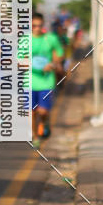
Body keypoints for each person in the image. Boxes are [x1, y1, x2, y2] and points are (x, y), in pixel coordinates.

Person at [31, 12, 64, 147]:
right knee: (31, 112)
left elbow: (59, 54)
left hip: (46, 81)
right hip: (29, 81)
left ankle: (44, 122)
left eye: (40, 25)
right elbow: (18, 59)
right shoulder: (24, 40)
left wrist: (54, 64)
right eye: (34, 26)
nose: (37, 28)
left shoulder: (51, 39)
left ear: (43, 25)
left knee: (43, 111)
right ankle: (35, 137)